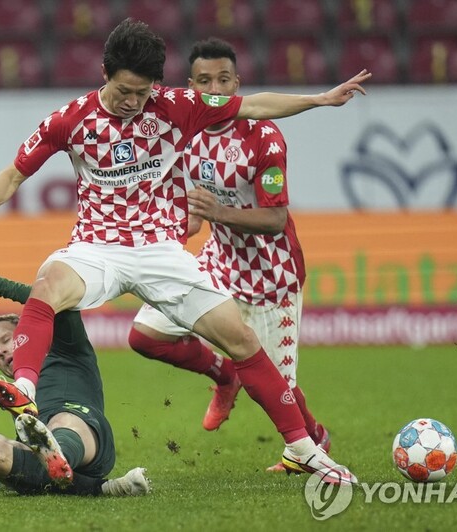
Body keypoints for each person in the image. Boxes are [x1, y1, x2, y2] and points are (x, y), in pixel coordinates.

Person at [0, 18, 369, 485]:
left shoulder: (177, 106)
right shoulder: (71, 119)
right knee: (48, 286)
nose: (133, 102)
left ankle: (305, 449)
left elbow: (253, 104)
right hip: (97, 246)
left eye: (143, 92)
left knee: (242, 341)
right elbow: (14, 173)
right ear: (105, 72)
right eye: (125, 90)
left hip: (161, 250)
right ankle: (25, 389)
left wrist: (320, 99)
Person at [128, 38, 328, 473]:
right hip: (218, 263)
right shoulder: (187, 131)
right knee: (145, 335)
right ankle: (223, 374)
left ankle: (314, 445)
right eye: (204, 81)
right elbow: (194, 212)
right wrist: (179, 228)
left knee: (276, 391)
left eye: (223, 79)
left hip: (272, 276)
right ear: (191, 86)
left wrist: (218, 211)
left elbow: (275, 220)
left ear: (237, 84)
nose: (214, 88)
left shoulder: (265, 137)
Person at [0, 258, 151, 497]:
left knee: (61, 422)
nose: (0, 351)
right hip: (46, 454)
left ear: (26, 330)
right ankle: (100, 488)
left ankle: (67, 462)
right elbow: (21, 476)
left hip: (88, 437)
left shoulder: (65, 346)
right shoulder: (15, 393)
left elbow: (50, 295)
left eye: (5, 340)